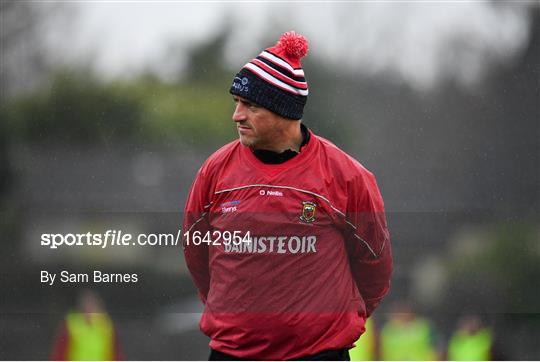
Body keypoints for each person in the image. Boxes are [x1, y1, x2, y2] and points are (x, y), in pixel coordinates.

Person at [182, 31, 393, 361]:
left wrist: (329, 323)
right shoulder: (216, 171)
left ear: (283, 111)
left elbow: (375, 264)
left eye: (250, 106)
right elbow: (197, 252)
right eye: (237, 103)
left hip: (318, 354)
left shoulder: (346, 175)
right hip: (232, 354)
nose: (237, 115)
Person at [50, 290, 123, 361]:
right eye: (87, 305)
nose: (89, 309)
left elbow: (115, 353)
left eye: (92, 305)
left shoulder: (106, 326)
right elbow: (60, 352)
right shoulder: (71, 324)